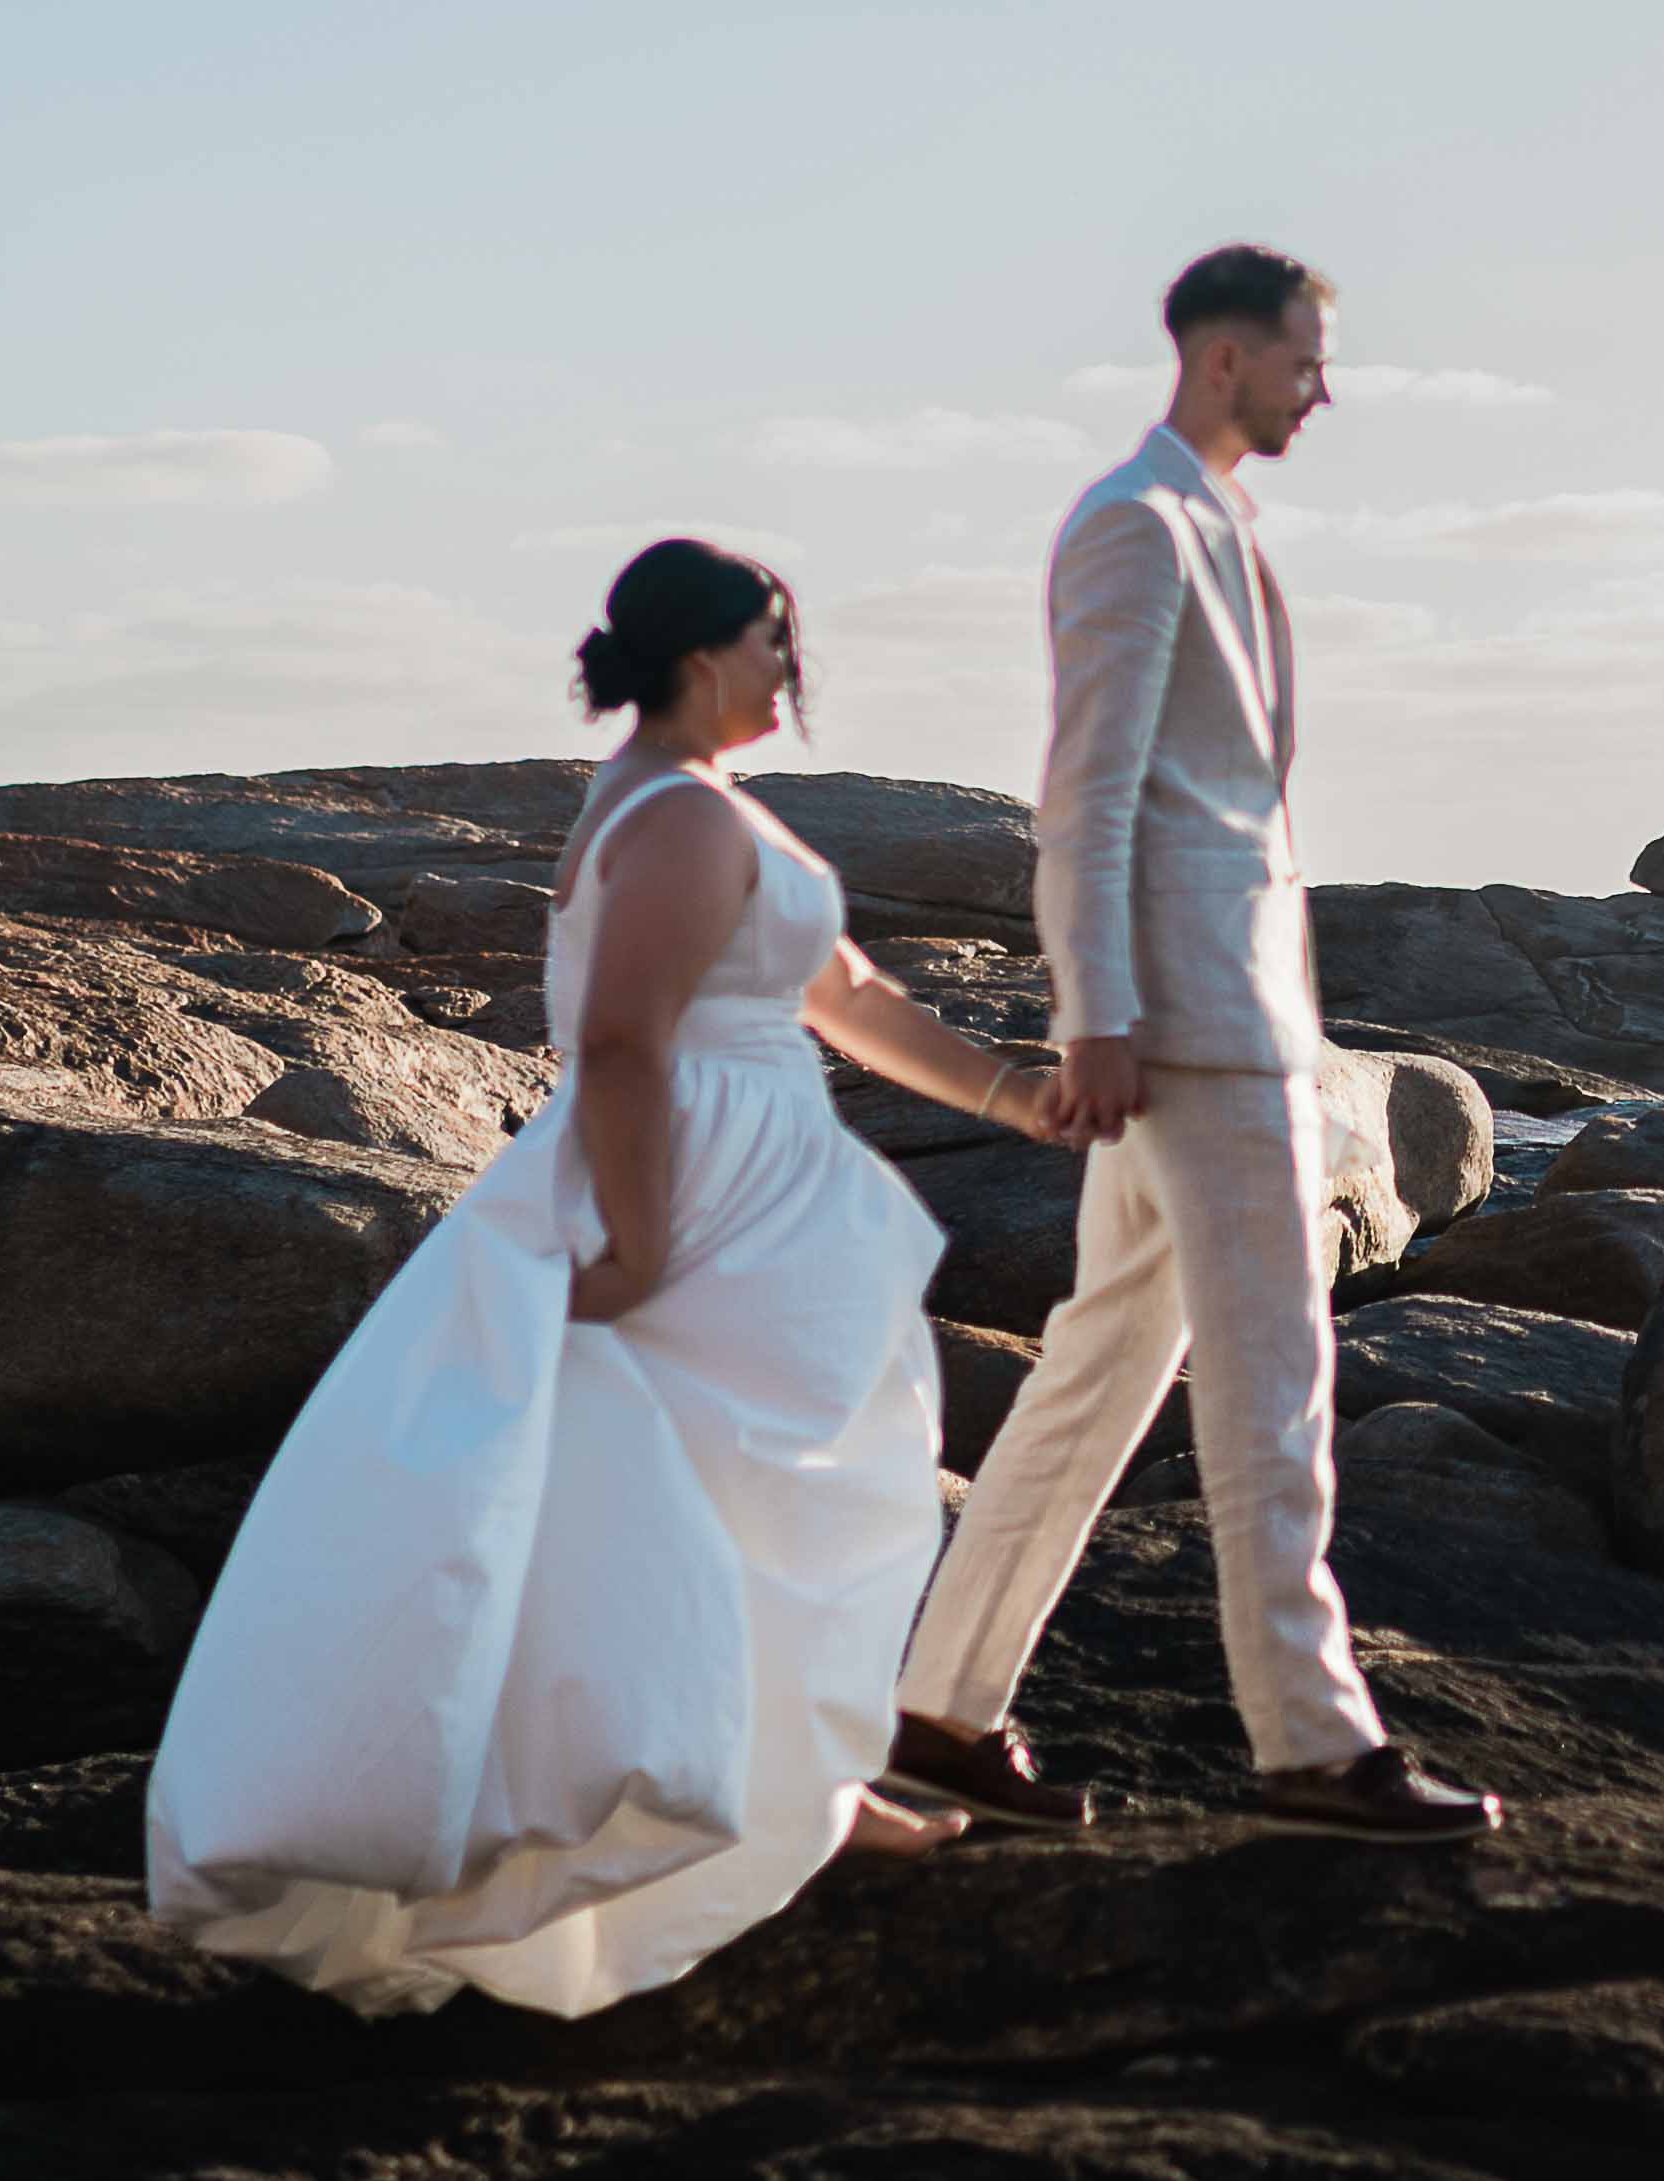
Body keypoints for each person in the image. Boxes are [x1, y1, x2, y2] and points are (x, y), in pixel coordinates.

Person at [146, 539, 1070, 2012]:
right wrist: (639, 1244)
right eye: (778, 640)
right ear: (708, 655)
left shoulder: (686, 808)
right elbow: (626, 1042)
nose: (795, 669)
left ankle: (812, 1795)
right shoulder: (680, 818)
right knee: (746, 1497)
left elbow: (845, 998)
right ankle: (791, 1807)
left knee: (777, 1495)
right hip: (700, 1187)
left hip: (743, 1172)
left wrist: (1017, 1094)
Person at [886, 245, 1504, 1840]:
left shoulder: (1212, 523)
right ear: (1225, 356)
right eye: (1309, 357)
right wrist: (1093, 1017)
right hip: (1194, 1039)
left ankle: (941, 1713)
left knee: (1094, 1378)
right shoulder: (1135, 525)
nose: (1326, 386)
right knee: (1276, 1381)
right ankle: (1309, 1738)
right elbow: (1085, 799)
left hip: (1227, 1023)